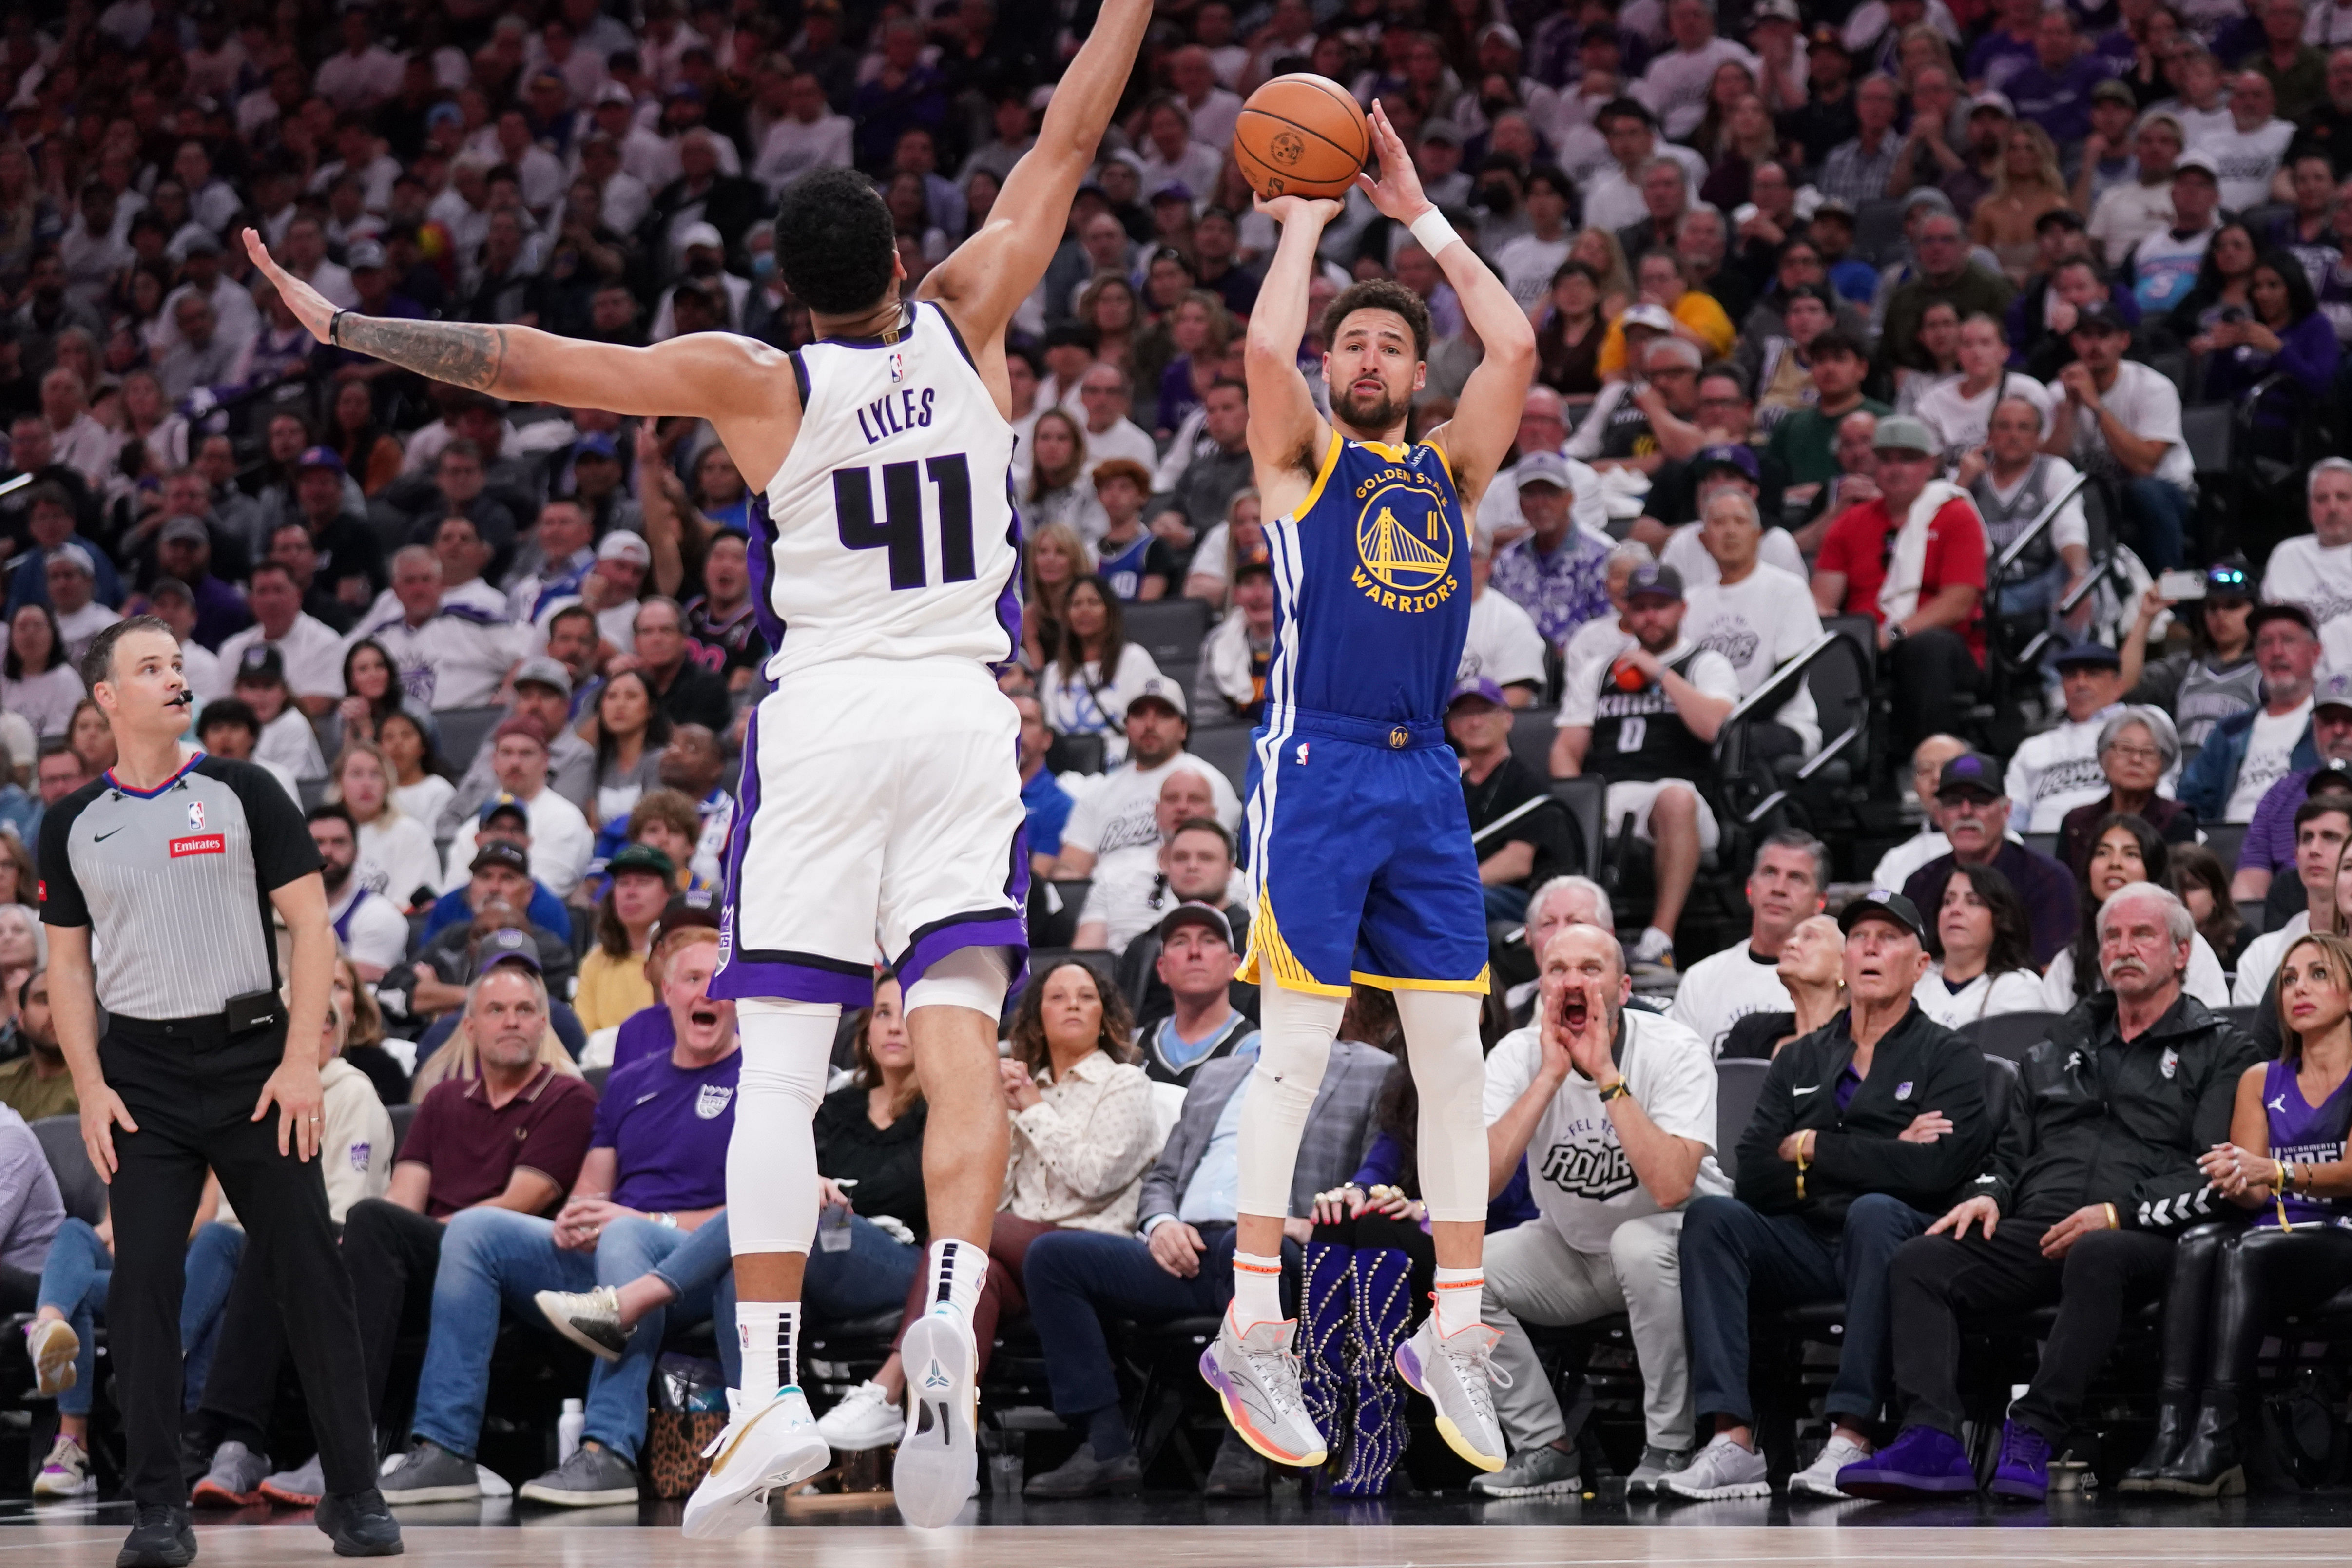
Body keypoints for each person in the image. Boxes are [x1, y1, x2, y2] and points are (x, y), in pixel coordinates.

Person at [252, 8, 1160, 1529]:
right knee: (953, 1034)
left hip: (827, 721)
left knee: (782, 1069)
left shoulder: (759, 381)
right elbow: (1068, 133)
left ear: (788, 287)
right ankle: (943, 1301)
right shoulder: (973, 306)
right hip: (960, 711)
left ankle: (762, 1397)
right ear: (895, 255)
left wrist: (347, 326)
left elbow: (536, 365)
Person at [1207, 98, 1537, 1480]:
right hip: (1322, 764)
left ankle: (1451, 1322)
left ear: (1416, 374)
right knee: (1293, 1045)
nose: (1369, 355)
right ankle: (1251, 1322)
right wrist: (1301, 223)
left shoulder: (1455, 466)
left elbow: (1512, 343)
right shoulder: (1302, 463)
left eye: (1393, 344)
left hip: (1425, 776)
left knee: (1453, 1051)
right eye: (1354, 341)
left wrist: (1416, 216)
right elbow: (1259, 348)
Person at [34, 618, 400, 1561]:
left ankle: (353, 1491)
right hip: (142, 1075)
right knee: (142, 1287)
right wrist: (89, 1081)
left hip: (254, 1060)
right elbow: (68, 969)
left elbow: (313, 929)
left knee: (311, 1271)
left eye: (178, 665)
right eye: (149, 668)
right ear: (106, 699)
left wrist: (295, 1061)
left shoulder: (243, 790)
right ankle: (158, 1510)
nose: (173, 679)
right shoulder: (73, 821)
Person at [1840, 882, 2259, 1504]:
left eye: (2141, 935)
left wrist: (2120, 1211)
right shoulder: (2058, 1045)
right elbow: (2007, 1153)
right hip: (2036, 1224)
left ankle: (2034, 1430)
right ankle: (1931, 1437)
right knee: (1920, 1259)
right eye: (2111, 936)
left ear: (2179, 952)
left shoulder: (2221, 1048)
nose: (2122, 948)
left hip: (2146, 1238)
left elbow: (2212, 1173)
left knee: (2098, 1252)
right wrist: (1989, 1194)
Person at [376, 931, 738, 1509]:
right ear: (666, 991)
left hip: (699, 1265)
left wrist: (633, 1218)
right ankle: (445, 1449)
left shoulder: (759, 1079)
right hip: (609, 1253)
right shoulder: (628, 1082)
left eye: (721, 981)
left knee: (624, 1233)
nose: (708, 993)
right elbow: (591, 1189)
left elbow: (752, 1213)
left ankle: (608, 1454)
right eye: (693, 979)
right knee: (474, 1231)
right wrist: (575, 1217)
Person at [1669, 891, 1994, 1500]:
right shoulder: (1801, 1058)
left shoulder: (1949, 1055)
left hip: (1894, 1240)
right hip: (1805, 1238)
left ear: (1920, 963)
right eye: (1859, 936)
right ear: (1844, 958)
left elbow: (1935, 1170)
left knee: (1874, 1212)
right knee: (1712, 1216)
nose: (1869, 946)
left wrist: (1814, 1147)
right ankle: (1731, 1440)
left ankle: (1852, 1433)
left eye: (1888, 937)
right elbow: (1755, 1173)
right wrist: (1884, 1148)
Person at [1018, 978, 1389, 1500]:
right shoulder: (1218, 1075)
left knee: (1261, 1253)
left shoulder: (1370, 1068)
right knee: (1052, 1257)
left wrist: (1315, 1222)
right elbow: (1163, 1178)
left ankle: (1248, 1442)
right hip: (1186, 1247)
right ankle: (1104, 1446)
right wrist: (1161, 1224)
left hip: (1277, 1245)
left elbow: (1373, 1177)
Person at [1467, 923, 1723, 1498]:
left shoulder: (1672, 1049)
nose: (1573, 982)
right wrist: (1550, 1075)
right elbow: (1479, 1185)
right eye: (1558, 970)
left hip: (1683, 1247)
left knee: (1636, 1241)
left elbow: (1669, 1186)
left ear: (1624, 987)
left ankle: (1669, 1443)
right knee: (1464, 1272)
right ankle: (1544, 1445)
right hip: (1578, 1253)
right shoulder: (1516, 1055)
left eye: (1590, 968)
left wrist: (1606, 1076)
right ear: (1541, 988)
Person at [2123, 930, 2352, 1497]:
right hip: (2271, 1232)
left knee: (2244, 1248)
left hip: (2338, 1232)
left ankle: (2217, 1433)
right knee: (2200, 1241)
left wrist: (2273, 1172)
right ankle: (2174, 1428)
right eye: (2289, 979)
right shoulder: (2260, 1079)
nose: (2298, 988)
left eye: (2318, 974)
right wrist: (2236, 1174)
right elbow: (2251, 1192)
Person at [185, 987, 396, 1506]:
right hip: (243, 1241)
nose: (311, 1031)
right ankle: (216, 1429)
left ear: (334, 1030)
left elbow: (351, 1200)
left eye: (321, 1021)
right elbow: (224, 1208)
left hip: (327, 1240)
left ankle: (222, 1431)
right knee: (222, 1237)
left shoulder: (353, 1092)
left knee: (265, 1238)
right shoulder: (255, 1096)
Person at [1550, 563, 1740, 970]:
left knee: (1674, 797)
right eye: (1640, 607)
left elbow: (1715, 727)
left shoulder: (1705, 664)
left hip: (1685, 798)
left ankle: (1660, 940)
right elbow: (1567, 747)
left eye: (1661, 606)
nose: (1650, 616)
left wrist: (1660, 673)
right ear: (1626, 613)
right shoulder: (1600, 670)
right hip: (1612, 793)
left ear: (1683, 609)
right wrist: (1576, 802)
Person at [1811, 415, 1989, 752]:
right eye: (1886, 459)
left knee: (1926, 648)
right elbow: (1823, 600)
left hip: (1942, 646)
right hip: (1866, 642)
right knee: (1824, 650)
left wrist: (1894, 634)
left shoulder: (1955, 514)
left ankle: (1925, 762)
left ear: (1930, 465)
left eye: (1908, 459)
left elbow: (1958, 602)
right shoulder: (1851, 522)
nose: (1896, 469)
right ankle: (1835, 768)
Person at [2043, 301, 2196, 572]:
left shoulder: (2153, 387)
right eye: (2086, 336)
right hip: (2100, 493)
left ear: (2123, 341)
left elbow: (2144, 466)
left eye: (2104, 336)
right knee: (2072, 495)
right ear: (2075, 343)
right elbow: (2047, 468)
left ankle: (2174, 598)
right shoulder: (2057, 393)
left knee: (2142, 491)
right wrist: (2068, 409)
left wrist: (2095, 405)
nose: (2094, 346)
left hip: (2165, 491)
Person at [1901, 748, 2078, 966]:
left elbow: (2052, 973)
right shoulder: (1920, 885)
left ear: (2006, 811)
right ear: (1939, 815)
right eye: (1954, 802)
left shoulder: (2048, 880)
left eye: (1980, 801)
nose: (1966, 812)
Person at [2044, 813, 2231, 1009]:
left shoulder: (2188, 947)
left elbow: (2211, 1025)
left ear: (2152, 870)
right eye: (2102, 853)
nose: (2114, 863)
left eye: (2131, 854)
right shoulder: (2070, 960)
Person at [1669, 832, 1831, 1055]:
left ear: (1820, 901)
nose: (1779, 889)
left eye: (1796, 878)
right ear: (1749, 889)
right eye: (1769, 873)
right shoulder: (1701, 980)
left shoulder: (1827, 981)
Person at [2180, 601, 2323, 831]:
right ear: (2257, 654)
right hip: (2227, 843)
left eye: (2288, 640)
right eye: (2266, 643)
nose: (2277, 652)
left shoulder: (2331, 724)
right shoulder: (2231, 730)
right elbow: (2191, 799)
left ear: (2315, 652)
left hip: (2299, 841)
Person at [1446, 678, 1573, 924]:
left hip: (1516, 896)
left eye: (1484, 711)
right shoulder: (1451, 786)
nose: (1475, 722)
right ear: (1452, 728)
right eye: (1465, 714)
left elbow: (1517, 863)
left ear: (1508, 718)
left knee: (1456, 902)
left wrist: (1453, 885)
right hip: (1464, 890)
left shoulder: (1527, 783)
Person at [2120, 560, 2260, 764]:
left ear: (2255, 611)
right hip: (2180, 776)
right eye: (2212, 607)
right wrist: (2146, 616)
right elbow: (2123, 685)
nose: (2220, 615)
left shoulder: (2266, 670)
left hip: (2235, 773)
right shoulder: (2186, 667)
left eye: (2233, 606)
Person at [2005, 643, 2138, 832]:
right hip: (2043, 852)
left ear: (2118, 685)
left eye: (2093, 674)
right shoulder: (2035, 747)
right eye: (2071, 676)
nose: (2080, 683)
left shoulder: (2141, 727)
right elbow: (2013, 817)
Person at [2234, 798, 2352, 1004]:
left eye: (2330, 837)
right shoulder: (2261, 956)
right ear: (2296, 856)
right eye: (2307, 838)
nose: (2314, 849)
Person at [2055, 707, 2198, 872]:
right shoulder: (2076, 823)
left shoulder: (2177, 820)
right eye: (2125, 749)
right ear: (2103, 758)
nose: (2136, 760)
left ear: (2164, 765)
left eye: (2148, 752)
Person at [1916, 863, 2046, 1026]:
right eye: (1948, 901)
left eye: (1973, 902)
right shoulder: (1915, 977)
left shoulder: (2018, 986)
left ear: (2000, 919)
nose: (1955, 910)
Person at [575, 844, 674, 1033]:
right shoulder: (595, 962)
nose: (631, 892)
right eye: (623, 883)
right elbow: (584, 1035)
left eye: (643, 882)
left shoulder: (682, 959)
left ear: (668, 893)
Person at [308, 805, 412, 983]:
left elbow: (354, 991)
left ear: (357, 852)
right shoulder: (283, 910)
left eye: (339, 842)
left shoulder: (379, 916)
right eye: (318, 842)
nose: (327, 852)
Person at [0, 969, 77, 1120]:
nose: (56, 1010)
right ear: (21, 1019)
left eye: (69, 999)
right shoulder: (3, 1084)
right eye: (43, 1000)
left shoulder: (110, 1081)